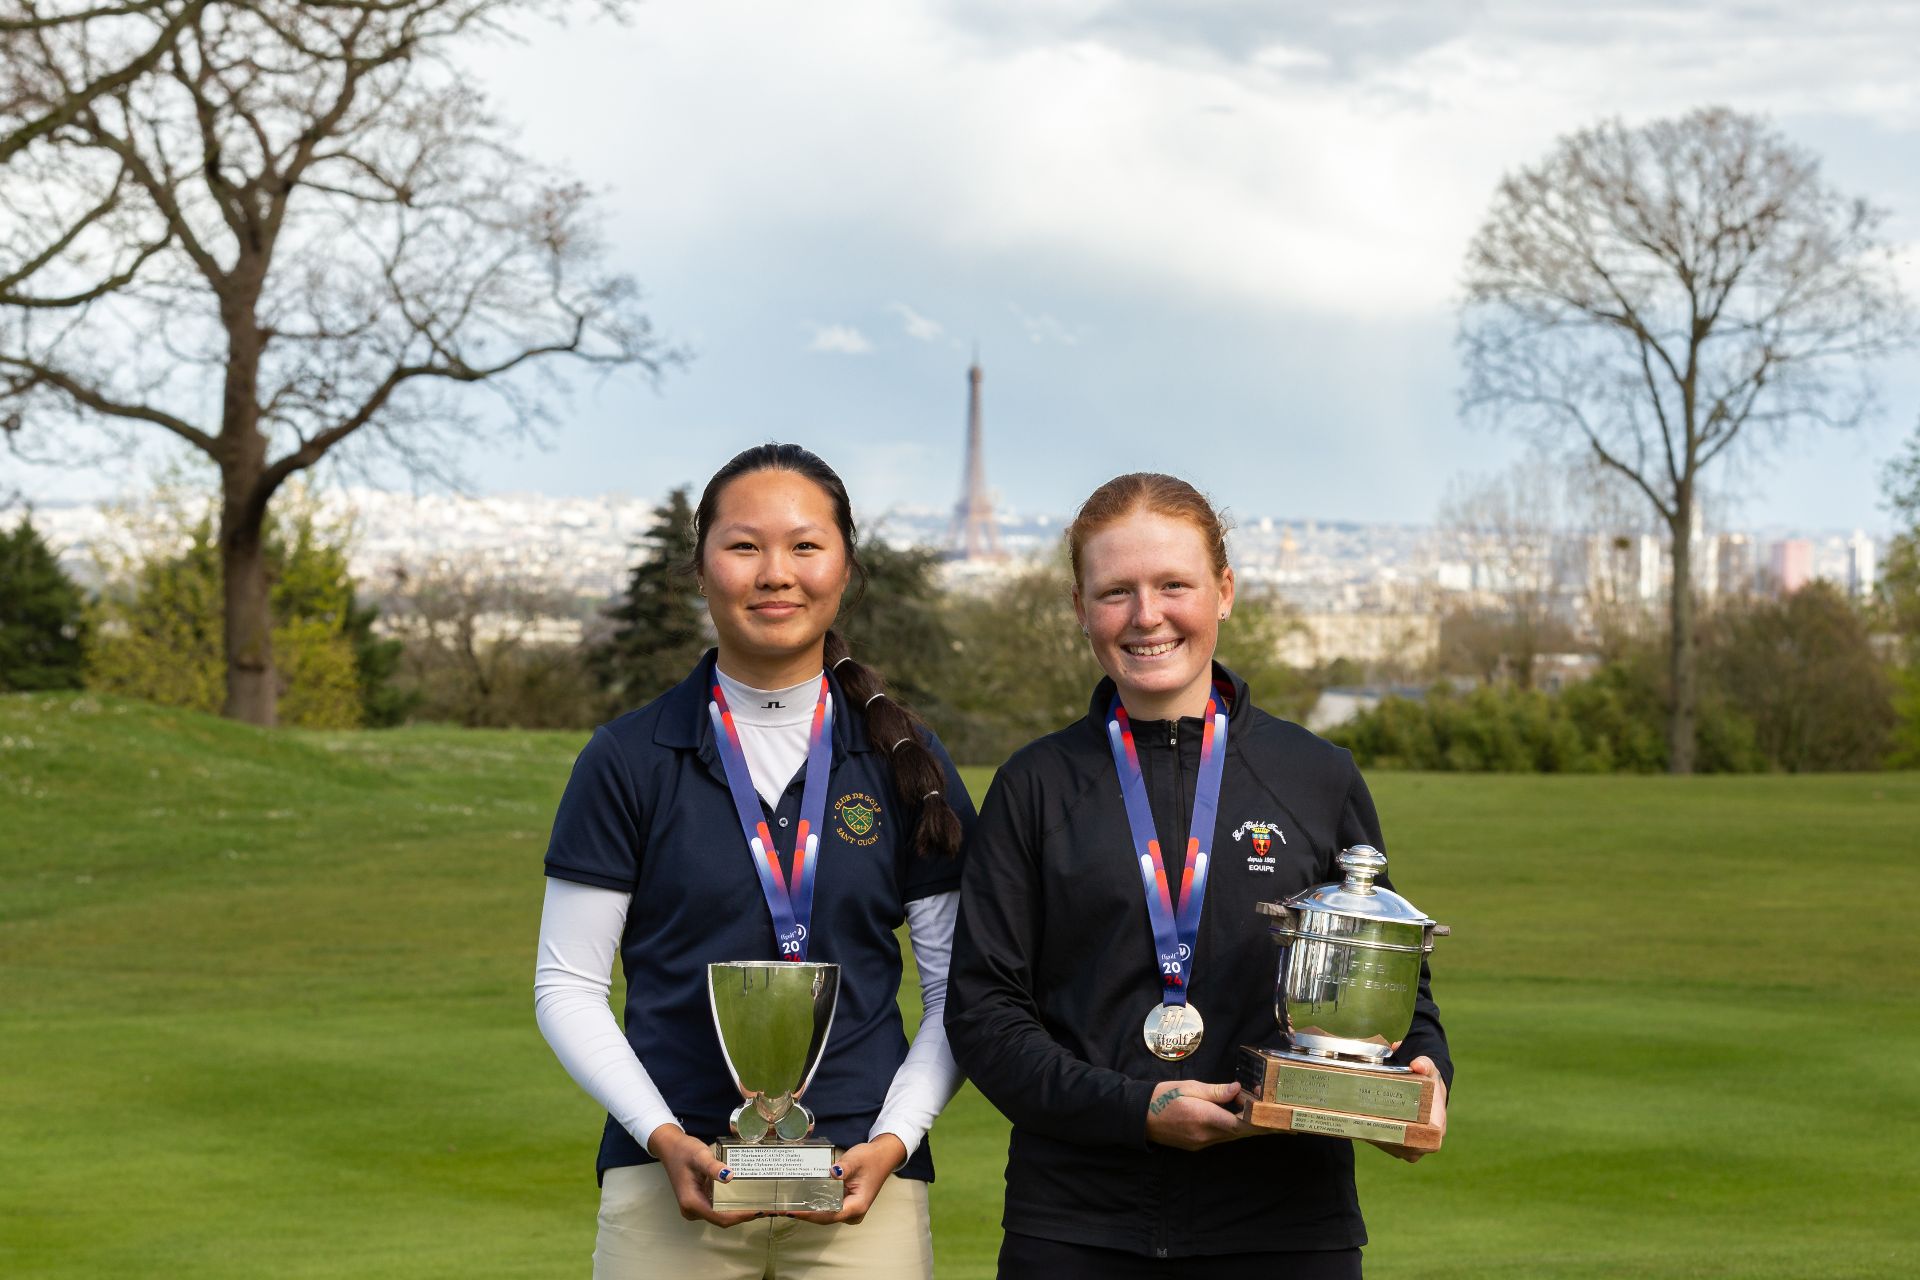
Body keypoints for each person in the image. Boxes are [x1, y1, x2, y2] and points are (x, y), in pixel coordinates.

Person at [945, 473, 1452, 1279]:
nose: (1146, 616)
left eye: (1172, 585)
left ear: (1224, 592)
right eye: (1116, 592)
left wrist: (1422, 1077)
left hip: (1284, 1225)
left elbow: (1398, 986)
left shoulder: (1316, 775)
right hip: (1077, 1228)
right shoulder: (1034, 786)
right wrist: (1134, 1111)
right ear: (1080, 609)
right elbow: (983, 1014)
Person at [536, 443, 976, 1279]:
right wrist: (662, 1136)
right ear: (700, 570)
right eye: (743, 546)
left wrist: (894, 1140)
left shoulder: (910, 760)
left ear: (844, 568)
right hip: (668, 1179)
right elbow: (567, 985)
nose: (776, 572)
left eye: (805, 546)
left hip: (866, 1185)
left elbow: (959, 988)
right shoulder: (627, 757)